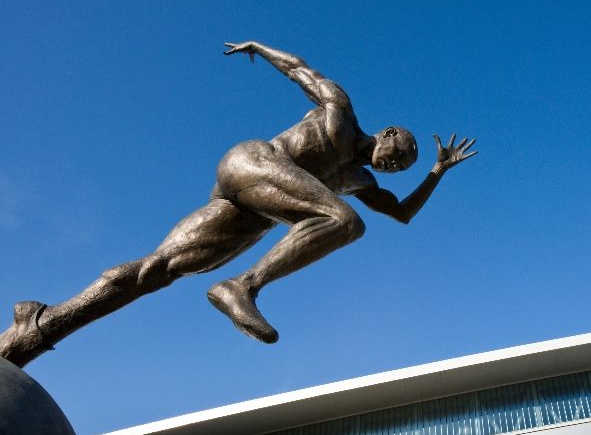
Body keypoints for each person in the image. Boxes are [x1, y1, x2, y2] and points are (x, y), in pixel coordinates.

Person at [2, 42, 477, 366]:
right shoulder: (340, 113)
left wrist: (435, 172)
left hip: (255, 210)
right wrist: (257, 46)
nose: (396, 167)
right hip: (252, 162)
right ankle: (243, 286)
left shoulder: (359, 178)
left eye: (402, 168)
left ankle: (37, 326)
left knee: (159, 270)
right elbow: (300, 70)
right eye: (402, 156)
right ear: (390, 133)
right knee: (343, 219)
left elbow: (400, 212)